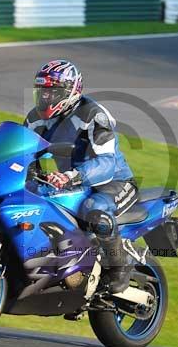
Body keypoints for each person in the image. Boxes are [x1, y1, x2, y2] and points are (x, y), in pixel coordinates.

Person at [23, 59, 137, 293]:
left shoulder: (93, 115)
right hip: (70, 183)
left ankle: (120, 267)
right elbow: (23, 152)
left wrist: (73, 176)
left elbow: (107, 162)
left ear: (69, 92)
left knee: (94, 210)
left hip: (113, 183)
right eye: (42, 92)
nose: (46, 98)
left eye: (52, 92)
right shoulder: (34, 119)